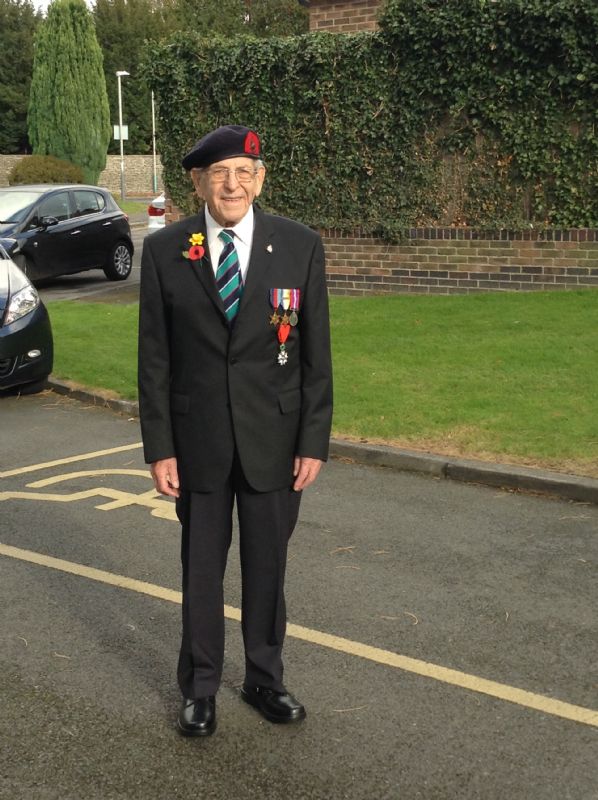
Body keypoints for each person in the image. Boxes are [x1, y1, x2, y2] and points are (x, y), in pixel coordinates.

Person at [138, 124, 333, 737]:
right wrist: (160, 446)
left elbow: (315, 357)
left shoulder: (298, 246)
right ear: (199, 181)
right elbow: (155, 359)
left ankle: (264, 679)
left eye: (245, 172)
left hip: (275, 442)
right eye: (220, 172)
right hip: (198, 444)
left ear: (261, 179)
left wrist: (312, 441)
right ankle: (199, 688)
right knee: (200, 569)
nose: (233, 184)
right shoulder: (168, 250)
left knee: (267, 567)